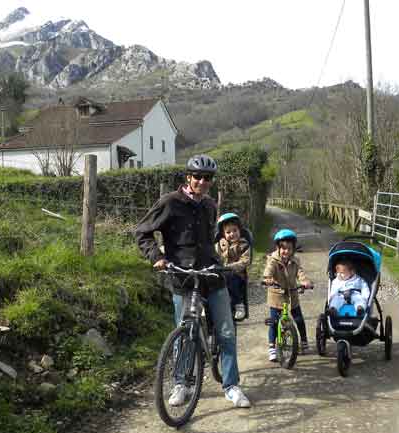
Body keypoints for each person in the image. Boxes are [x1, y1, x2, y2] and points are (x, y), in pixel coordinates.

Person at [134, 154, 251, 409]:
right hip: (183, 277)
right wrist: (156, 256)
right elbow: (142, 232)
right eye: (197, 176)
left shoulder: (210, 205)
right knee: (185, 332)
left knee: (226, 333)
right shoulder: (170, 203)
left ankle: (231, 386)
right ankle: (181, 383)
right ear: (188, 177)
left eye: (207, 178)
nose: (202, 181)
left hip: (211, 275)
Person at [263, 229, 313, 361]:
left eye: (289, 249)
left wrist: (305, 281)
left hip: (292, 294)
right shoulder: (273, 260)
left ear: (293, 249)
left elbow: (300, 273)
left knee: (299, 319)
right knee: (274, 322)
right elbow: (269, 270)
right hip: (276, 294)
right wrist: (267, 278)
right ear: (278, 248)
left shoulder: (295, 261)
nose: (286, 251)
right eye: (283, 248)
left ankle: (303, 341)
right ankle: (272, 347)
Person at [215, 213, 252, 320]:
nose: (232, 234)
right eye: (228, 232)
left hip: (237, 274)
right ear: (223, 234)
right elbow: (215, 256)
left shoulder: (243, 245)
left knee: (232, 278)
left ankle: (239, 304)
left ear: (240, 231)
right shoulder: (219, 245)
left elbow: (245, 261)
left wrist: (230, 267)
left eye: (235, 230)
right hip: (220, 273)